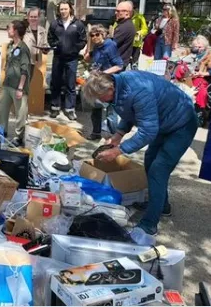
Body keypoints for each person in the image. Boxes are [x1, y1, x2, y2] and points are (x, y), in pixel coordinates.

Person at [83, 71, 198, 245]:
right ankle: (161, 206)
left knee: (159, 168)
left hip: (182, 124)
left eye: (101, 97)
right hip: (163, 122)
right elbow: (131, 111)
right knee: (150, 160)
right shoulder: (119, 88)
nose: (102, 101)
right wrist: (119, 135)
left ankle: (149, 224)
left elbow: (148, 131)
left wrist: (119, 151)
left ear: (110, 87)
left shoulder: (138, 90)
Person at [46, 0, 87, 121]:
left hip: (72, 59)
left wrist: (75, 48)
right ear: (59, 11)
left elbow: (83, 40)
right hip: (58, 57)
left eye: (65, 9)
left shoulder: (78, 24)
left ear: (70, 9)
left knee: (70, 84)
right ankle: (55, 107)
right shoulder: (55, 24)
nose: (63, 11)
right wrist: (55, 44)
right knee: (56, 83)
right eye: (61, 9)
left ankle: (70, 109)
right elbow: (50, 37)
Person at [82, 25, 123, 140]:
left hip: (111, 81)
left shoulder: (110, 45)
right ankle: (96, 133)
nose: (94, 37)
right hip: (99, 82)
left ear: (103, 34)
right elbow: (87, 59)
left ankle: (113, 137)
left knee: (111, 111)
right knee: (95, 108)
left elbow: (119, 65)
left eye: (97, 34)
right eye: (92, 35)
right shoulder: (96, 47)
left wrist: (103, 73)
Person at [0, 20, 31, 147]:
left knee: (20, 113)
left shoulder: (23, 48)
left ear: (16, 31)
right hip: (7, 84)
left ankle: (19, 137)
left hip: (18, 86)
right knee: (2, 110)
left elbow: (25, 70)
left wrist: (20, 88)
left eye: (9, 28)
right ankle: (2, 132)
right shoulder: (10, 46)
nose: (7, 30)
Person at [23, 7, 48, 77]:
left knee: (34, 84)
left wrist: (45, 49)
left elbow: (45, 44)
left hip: (38, 63)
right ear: (28, 17)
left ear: (39, 18)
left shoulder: (43, 30)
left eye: (35, 17)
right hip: (25, 62)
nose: (33, 19)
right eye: (31, 17)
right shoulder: (23, 30)